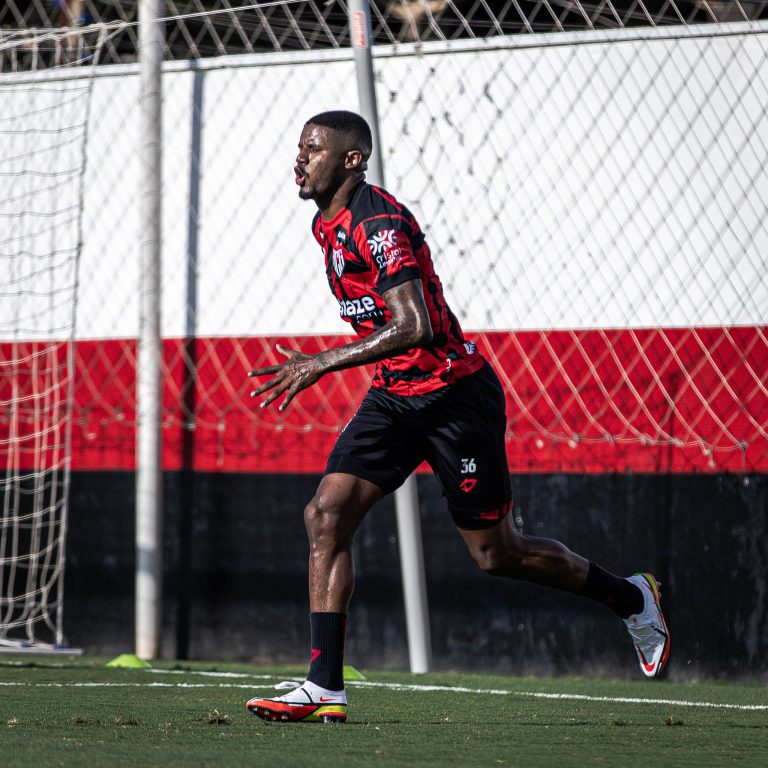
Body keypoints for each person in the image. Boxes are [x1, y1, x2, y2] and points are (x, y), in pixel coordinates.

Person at [245, 110, 669, 724]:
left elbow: (414, 324)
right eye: (299, 148)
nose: (299, 158)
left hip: (454, 398)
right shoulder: (325, 223)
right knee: (326, 513)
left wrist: (322, 362)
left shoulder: (378, 222)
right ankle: (324, 686)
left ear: (352, 160)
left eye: (313, 148)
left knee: (498, 555)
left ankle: (632, 599)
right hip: (395, 396)